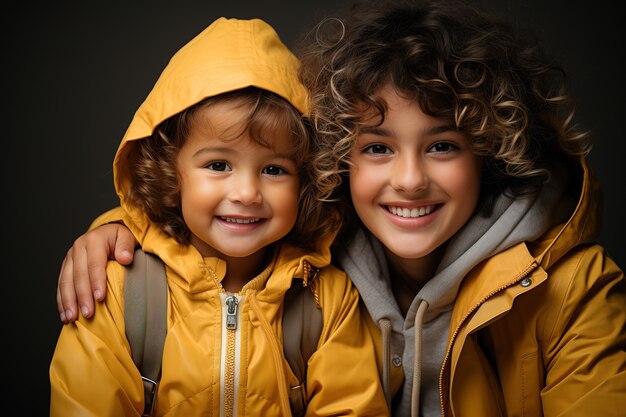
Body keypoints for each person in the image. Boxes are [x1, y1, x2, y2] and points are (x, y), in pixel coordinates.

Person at [56, 1, 626, 416]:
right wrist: (121, 227)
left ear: (488, 151)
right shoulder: (317, 257)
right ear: (337, 162)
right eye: (378, 147)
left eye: (443, 146)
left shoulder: (576, 291)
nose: (408, 179)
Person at [49, 16, 390, 417]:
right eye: (217, 165)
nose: (246, 193)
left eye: (274, 170)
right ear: (169, 172)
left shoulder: (327, 300)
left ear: (307, 180)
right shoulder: (120, 290)